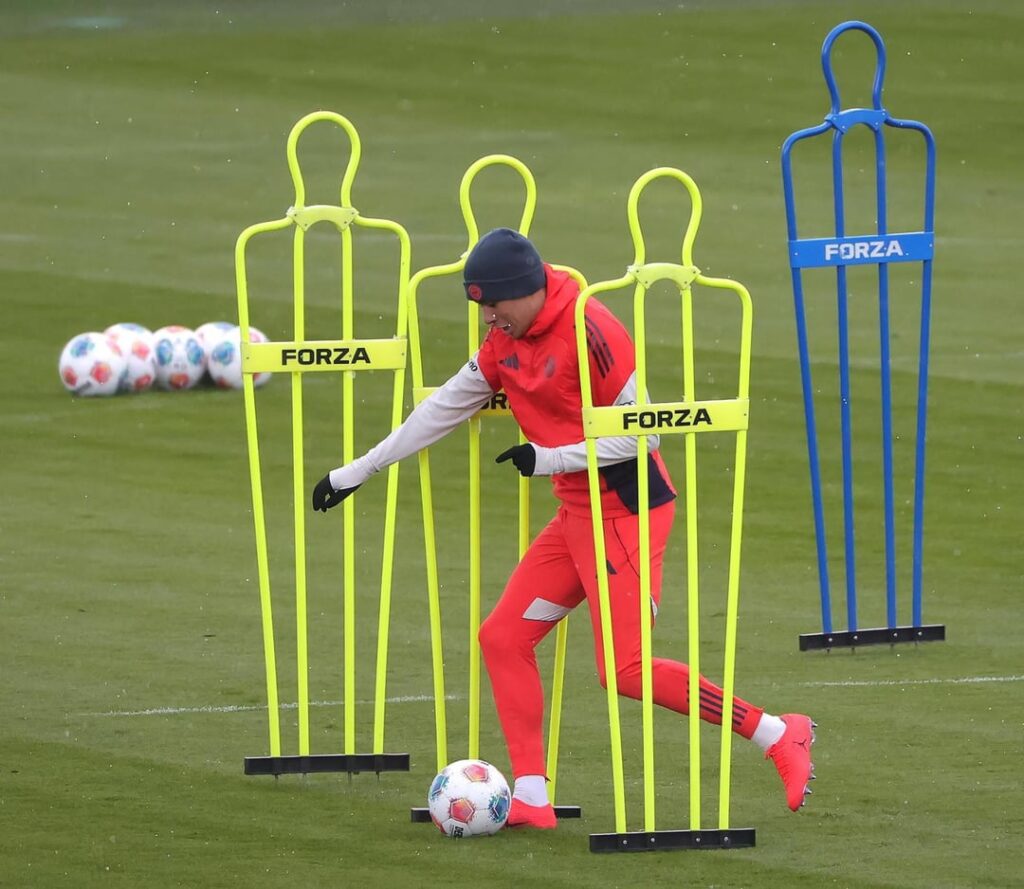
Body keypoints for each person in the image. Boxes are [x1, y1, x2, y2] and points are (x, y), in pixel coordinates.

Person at [312, 228, 815, 829]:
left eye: (494, 305)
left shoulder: (592, 328)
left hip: (628, 511)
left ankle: (779, 732)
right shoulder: (503, 340)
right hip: (577, 516)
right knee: (502, 638)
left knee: (624, 670)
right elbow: (443, 407)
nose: (488, 318)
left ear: (524, 291)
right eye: (481, 309)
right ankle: (530, 796)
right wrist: (356, 472)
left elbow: (642, 436)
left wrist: (548, 459)